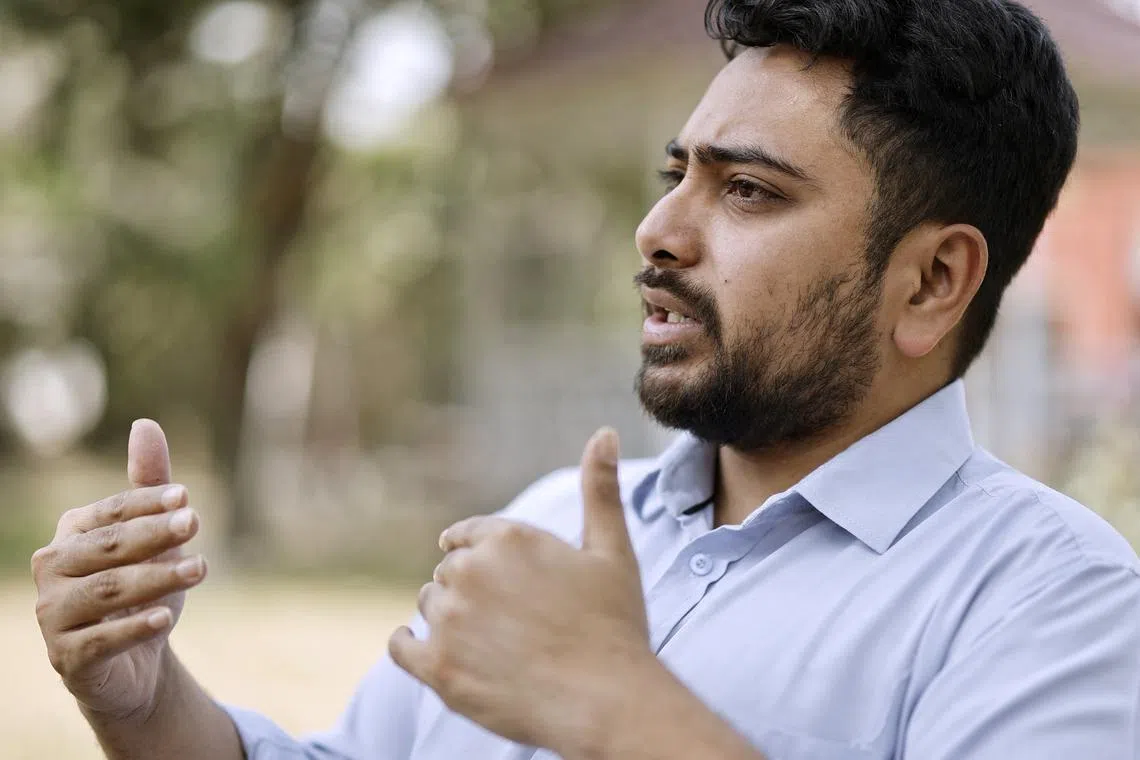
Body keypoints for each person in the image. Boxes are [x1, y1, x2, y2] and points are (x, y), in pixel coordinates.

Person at [30, 0, 1140, 758]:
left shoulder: (1050, 600)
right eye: (676, 176)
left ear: (934, 280)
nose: (660, 230)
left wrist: (617, 705)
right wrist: (143, 704)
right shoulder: (548, 527)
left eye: (747, 191)